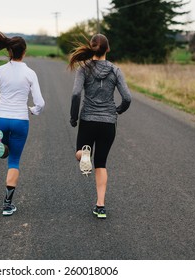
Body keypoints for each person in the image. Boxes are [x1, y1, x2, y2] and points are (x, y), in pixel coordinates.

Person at [0, 25, 45, 216]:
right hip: (20, 119)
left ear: (9, 51)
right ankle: (7, 204)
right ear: (24, 52)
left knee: (5, 145)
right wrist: (34, 110)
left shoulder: (0, 71)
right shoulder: (30, 74)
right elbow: (40, 102)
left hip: (1, 118)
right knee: (14, 161)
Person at [68, 34, 131, 219]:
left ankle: (84, 154)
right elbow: (127, 97)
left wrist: (74, 117)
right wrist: (117, 110)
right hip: (108, 122)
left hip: (88, 120)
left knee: (80, 153)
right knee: (101, 164)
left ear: (91, 48)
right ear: (108, 49)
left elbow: (75, 94)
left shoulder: (83, 68)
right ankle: (100, 206)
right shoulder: (115, 70)